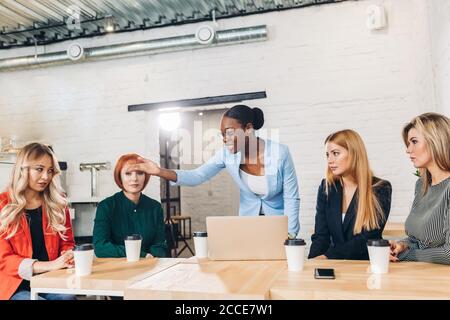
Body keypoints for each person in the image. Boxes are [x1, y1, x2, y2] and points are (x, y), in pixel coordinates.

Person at [131, 105, 300, 237]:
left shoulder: (280, 153)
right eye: (222, 135)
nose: (225, 139)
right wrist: (159, 171)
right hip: (249, 223)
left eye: (229, 133)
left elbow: (291, 197)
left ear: (248, 128)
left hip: (279, 223)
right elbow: (198, 176)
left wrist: (291, 234)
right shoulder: (227, 155)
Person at [0, 143, 75, 300]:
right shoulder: (3, 204)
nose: (46, 177)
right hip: (14, 285)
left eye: (50, 171)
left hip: (50, 280)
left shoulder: (58, 204)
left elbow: (67, 243)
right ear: (23, 169)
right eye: (39, 169)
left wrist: (67, 256)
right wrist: (51, 264)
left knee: (67, 298)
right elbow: (4, 259)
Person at [308, 129, 392, 260]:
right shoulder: (327, 188)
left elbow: (367, 238)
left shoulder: (380, 188)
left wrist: (327, 257)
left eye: (335, 153)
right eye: (327, 155)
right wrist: (312, 262)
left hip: (366, 266)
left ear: (354, 154)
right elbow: (321, 236)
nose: (330, 160)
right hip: (333, 264)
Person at [390, 112, 450, 264]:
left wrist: (405, 255)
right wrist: (403, 245)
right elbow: (418, 240)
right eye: (408, 143)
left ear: (436, 141)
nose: (408, 150)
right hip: (420, 274)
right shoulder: (421, 185)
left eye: (414, 142)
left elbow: (448, 253)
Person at [93, 153, 168, 258]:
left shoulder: (155, 207)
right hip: (117, 269)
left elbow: (160, 245)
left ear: (145, 176)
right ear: (119, 176)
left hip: (150, 266)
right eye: (128, 173)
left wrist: (152, 258)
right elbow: (100, 247)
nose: (134, 179)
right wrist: (141, 255)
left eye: (140, 173)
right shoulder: (106, 207)